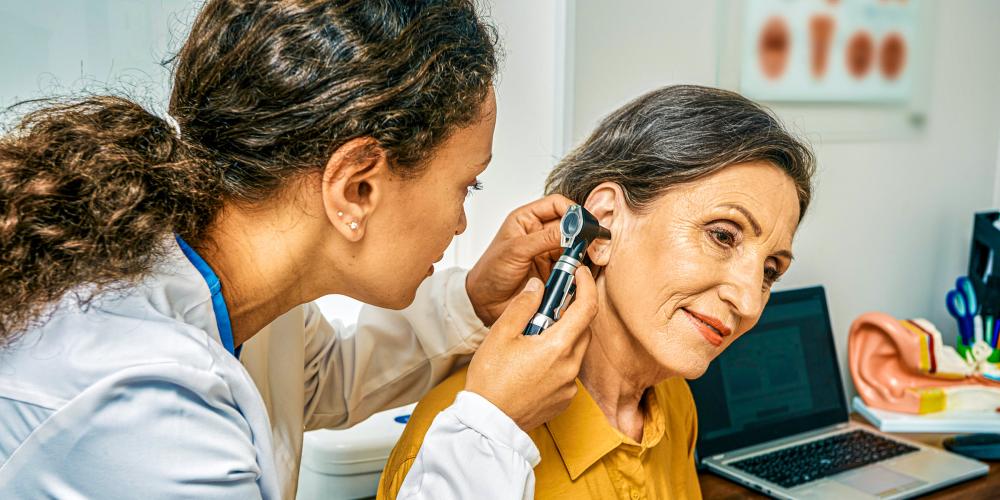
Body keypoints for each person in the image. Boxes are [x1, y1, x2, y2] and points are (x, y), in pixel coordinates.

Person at [0, 1, 598, 498]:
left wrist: (471, 301)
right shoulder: (142, 407)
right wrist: (491, 428)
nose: (463, 218)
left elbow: (317, 380)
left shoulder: (235, 286)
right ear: (356, 186)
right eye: (467, 185)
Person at [378, 85, 816, 499]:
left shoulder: (673, 402)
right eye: (723, 235)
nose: (749, 301)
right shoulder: (460, 445)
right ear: (604, 224)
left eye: (770, 270)